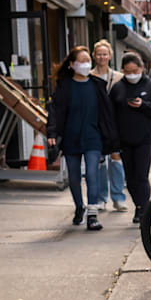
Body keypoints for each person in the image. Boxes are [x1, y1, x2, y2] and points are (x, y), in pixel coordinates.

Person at [46, 46, 119, 231]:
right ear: (72, 64)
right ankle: (79, 207)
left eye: (88, 61)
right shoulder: (64, 86)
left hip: (93, 137)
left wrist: (112, 137)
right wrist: (52, 134)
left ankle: (93, 214)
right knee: (74, 176)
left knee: (92, 173)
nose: (86, 65)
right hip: (71, 137)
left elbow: (107, 114)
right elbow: (54, 111)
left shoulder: (97, 85)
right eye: (82, 61)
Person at [109, 53, 151, 223]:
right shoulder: (117, 88)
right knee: (131, 178)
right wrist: (113, 141)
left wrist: (144, 105)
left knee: (141, 176)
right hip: (124, 140)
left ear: (141, 68)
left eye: (135, 71)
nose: (131, 75)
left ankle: (143, 209)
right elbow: (110, 115)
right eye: (127, 72)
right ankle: (140, 205)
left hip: (145, 139)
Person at [90, 40, 127, 212]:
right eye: (99, 54)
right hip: (96, 124)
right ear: (94, 56)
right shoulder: (89, 76)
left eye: (105, 54)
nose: (102, 57)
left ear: (110, 56)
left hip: (115, 124)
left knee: (116, 159)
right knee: (99, 161)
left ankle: (118, 197)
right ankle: (101, 198)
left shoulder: (119, 77)